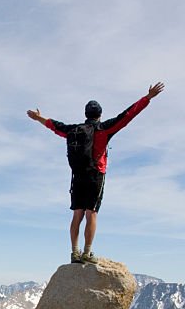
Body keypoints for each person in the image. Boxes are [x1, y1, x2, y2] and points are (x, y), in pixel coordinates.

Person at [27, 82, 164, 264]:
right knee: (92, 213)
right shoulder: (104, 129)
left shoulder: (73, 130)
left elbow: (54, 125)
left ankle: (74, 252)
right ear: (99, 115)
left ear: (86, 115)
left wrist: (38, 118)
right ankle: (87, 253)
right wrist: (147, 98)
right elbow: (128, 115)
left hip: (77, 176)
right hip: (95, 175)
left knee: (77, 214)